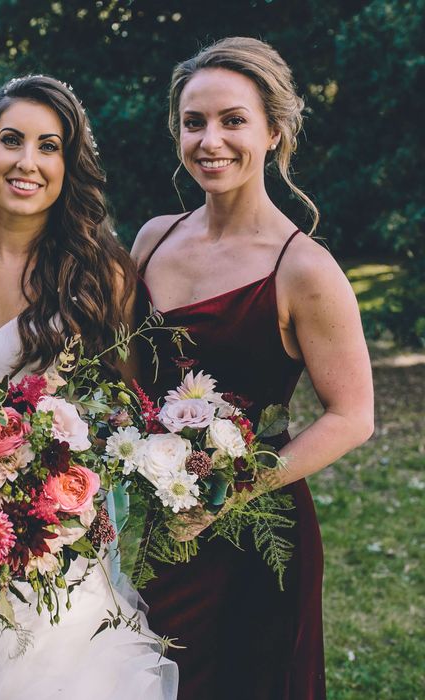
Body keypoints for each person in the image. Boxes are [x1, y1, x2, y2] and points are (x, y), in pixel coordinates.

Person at [0, 74, 178, 699]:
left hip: (65, 540)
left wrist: (65, 484)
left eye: (48, 145)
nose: (27, 161)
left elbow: (128, 407)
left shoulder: (104, 271)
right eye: (12, 140)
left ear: (68, 162)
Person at [131, 37, 375, 700]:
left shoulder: (304, 270)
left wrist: (228, 491)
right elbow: (127, 375)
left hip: (253, 536)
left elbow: (353, 416)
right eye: (194, 122)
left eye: (233, 120)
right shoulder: (153, 239)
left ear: (274, 130)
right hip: (155, 524)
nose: (211, 140)